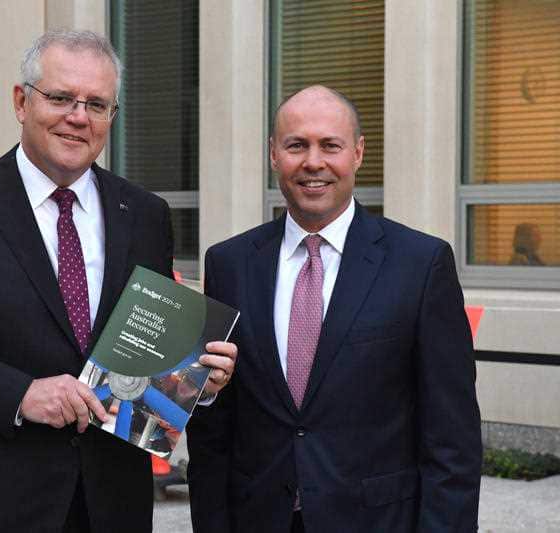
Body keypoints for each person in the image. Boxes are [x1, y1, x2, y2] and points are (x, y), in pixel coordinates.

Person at [0, 30, 236, 533]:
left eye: (97, 104)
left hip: (111, 504)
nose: (78, 117)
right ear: (22, 102)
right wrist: (20, 393)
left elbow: (143, 352)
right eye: (61, 98)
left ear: (111, 117)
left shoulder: (146, 215)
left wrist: (196, 378)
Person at [186, 85, 481, 533]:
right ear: (273, 154)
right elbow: (214, 427)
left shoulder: (420, 265)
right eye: (296, 145)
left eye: (331, 145)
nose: (313, 162)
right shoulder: (229, 264)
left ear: (358, 154)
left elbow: (452, 439)